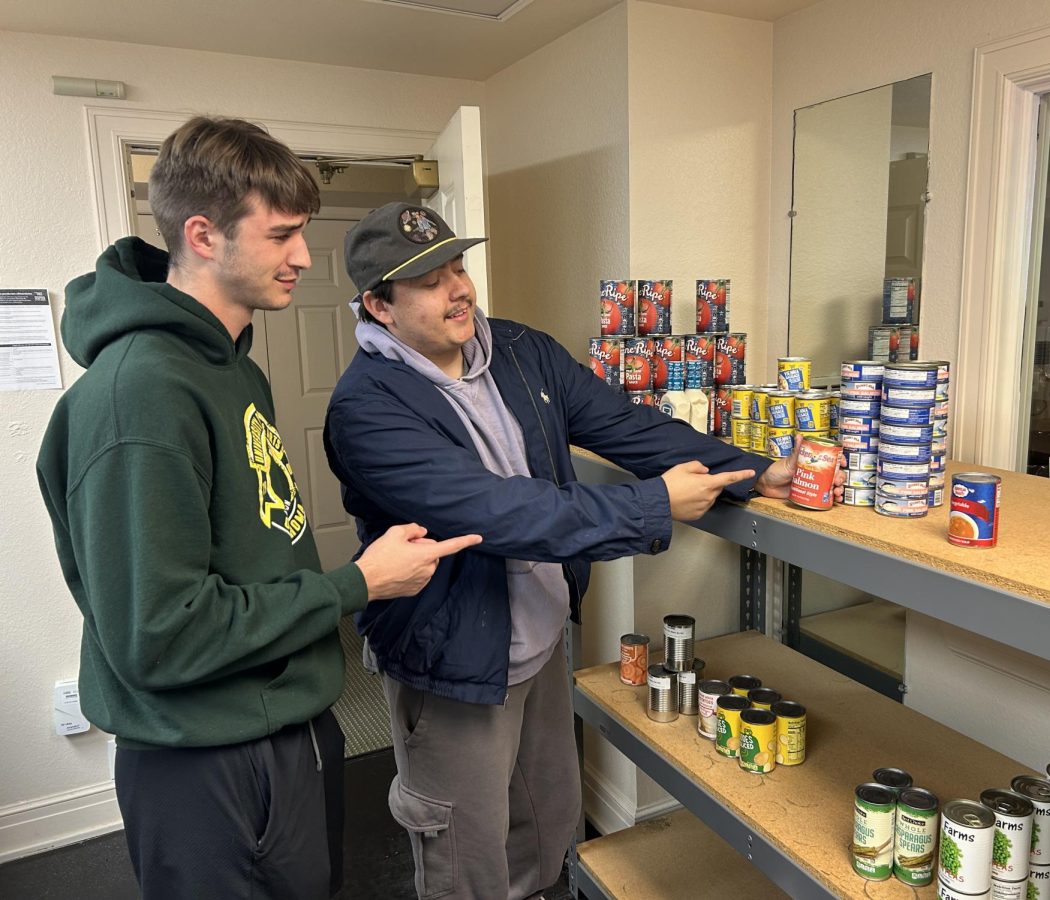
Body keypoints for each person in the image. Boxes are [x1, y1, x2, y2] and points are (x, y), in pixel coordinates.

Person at [323, 201, 824, 900]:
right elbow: (497, 513)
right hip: (452, 664)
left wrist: (749, 469)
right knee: (466, 863)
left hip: (540, 643)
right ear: (379, 305)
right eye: (431, 280)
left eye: (458, 266)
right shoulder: (367, 409)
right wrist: (652, 505)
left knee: (545, 825)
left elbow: (627, 428)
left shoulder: (523, 353)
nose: (460, 288)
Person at [35, 117, 481, 900]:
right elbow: (159, 634)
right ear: (203, 235)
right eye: (281, 236)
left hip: (288, 725)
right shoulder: (138, 395)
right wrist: (357, 585)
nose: (305, 258)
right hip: (203, 759)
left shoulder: (234, 368)